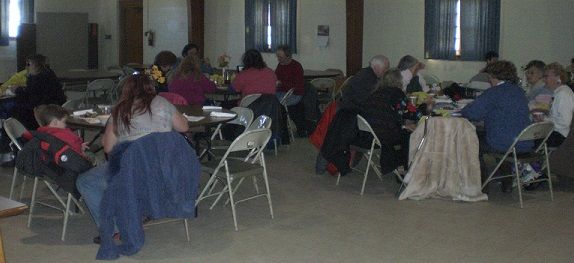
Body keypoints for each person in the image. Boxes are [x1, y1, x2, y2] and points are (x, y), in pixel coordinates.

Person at [76, 74, 189, 243]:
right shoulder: (163, 103)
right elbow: (184, 127)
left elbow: (108, 148)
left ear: (125, 90)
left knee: (86, 181)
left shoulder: (120, 110)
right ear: (151, 87)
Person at [461, 60, 532, 192]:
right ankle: (507, 184)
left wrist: (463, 110)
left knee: (471, 141)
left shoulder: (494, 92)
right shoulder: (519, 91)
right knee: (499, 139)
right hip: (524, 141)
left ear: (492, 75)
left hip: (505, 142)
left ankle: (481, 186)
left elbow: (473, 114)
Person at [11, 54, 66, 130]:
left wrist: (18, 90)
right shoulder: (50, 74)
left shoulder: (36, 79)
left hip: (38, 114)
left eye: (28, 64)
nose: (26, 67)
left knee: (11, 109)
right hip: (53, 111)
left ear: (36, 66)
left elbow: (31, 99)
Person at [542, 63, 574, 147]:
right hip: (558, 133)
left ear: (558, 77)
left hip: (561, 136)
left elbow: (565, 122)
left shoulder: (563, 94)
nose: (544, 80)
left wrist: (544, 120)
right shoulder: (558, 93)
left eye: (546, 76)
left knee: (529, 141)